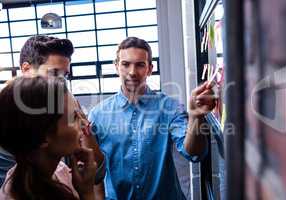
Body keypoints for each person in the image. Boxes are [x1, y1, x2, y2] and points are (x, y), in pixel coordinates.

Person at [88, 37, 216, 199]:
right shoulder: (98, 115)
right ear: (116, 67)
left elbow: (194, 153)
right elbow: (93, 171)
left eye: (140, 65)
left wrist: (196, 117)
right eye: (126, 64)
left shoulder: (170, 108)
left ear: (150, 69)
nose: (132, 72)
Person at [0, 35, 105, 195]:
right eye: (54, 74)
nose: (61, 82)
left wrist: (84, 133)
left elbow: (95, 174)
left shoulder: (66, 103)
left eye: (65, 76)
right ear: (26, 69)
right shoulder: (8, 116)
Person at [0, 76, 97, 200]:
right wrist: (88, 194)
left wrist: (85, 190)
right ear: (44, 136)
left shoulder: (60, 171)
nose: (84, 124)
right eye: (74, 118)